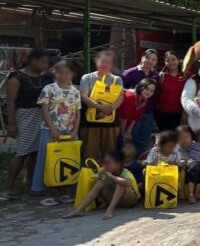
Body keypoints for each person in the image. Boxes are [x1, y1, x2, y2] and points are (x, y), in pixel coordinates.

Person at [2, 48, 53, 201]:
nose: (45, 65)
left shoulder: (47, 77)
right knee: (22, 152)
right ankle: (9, 187)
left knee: (36, 153)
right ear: (33, 60)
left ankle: (32, 185)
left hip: (42, 116)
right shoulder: (17, 77)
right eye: (42, 62)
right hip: (25, 116)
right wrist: (11, 124)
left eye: (47, 63)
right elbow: (11, 102)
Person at [32, 59, 80, 206]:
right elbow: (45, 110)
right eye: (60, 72)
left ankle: (63, 192)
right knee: (48, 160)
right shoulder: (49, 89)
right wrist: (52, 128)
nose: (63, 76)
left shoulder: (75, 91)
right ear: (54, 72)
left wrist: (75, 130)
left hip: (69, 131)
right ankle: (48, 192)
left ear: (72, 74)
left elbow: (78, 113)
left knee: (66, 160)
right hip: (50, 130)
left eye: (67, 73)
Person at [63, 148, 140, 220]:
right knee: (100, 183)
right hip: (114, 200)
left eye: (108, 163)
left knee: (120, 183)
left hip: (129, 201)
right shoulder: (105, 171)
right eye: (105, 163)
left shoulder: (125, 173)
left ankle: (110, 211)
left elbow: (127, 182)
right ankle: (80, 210)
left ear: (118, 164)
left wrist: (111, 177)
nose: (106, 166)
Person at [79, 50, 124, 162]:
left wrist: (111, 108)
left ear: (112, 64)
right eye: (103, 61)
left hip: (110, 121)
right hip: (90, 122)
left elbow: (120, 97)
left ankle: (109, 173)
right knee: (89, 154)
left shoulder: (117, 79)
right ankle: (88, 172)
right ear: (96, 61)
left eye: (109, 62)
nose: (105, 64)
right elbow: (84, 97)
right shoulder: (87, 78)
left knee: (110, 153)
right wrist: (100, 107)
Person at [122, 49, 159, 156]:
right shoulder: (130, 73)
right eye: (148, 58)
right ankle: (131, 160)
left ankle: (140, 160)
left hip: (149, 111)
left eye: (154, 60)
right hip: (133, 111)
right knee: (133, 138)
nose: (150, 61)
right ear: (142, 57)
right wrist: (132, 92)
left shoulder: (155, 74)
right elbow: (120, 89)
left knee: (144, 139)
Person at [118, 77, 158, 154]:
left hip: (126, 126)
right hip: (117, 127)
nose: (148, 92)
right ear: (141, 86)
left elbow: (135, 118)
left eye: (152, 91)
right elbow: (122, 119)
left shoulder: (144, 99)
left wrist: (128, 131)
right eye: (147, 89)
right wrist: (123, 134)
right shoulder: (130, 97)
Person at [176, 125, 200, 204]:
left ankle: (192, 194)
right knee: (199, 179)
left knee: (193, 177)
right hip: (199, 164)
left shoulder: (193, 145)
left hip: (195, 164)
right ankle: (194, 195)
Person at [155, 51, 186, 132]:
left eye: (173, 59)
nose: (171, 62)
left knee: (177, 137)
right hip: (162, 113)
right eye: (167, 60)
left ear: (178, 60)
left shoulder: (185, 75)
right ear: (164, 62)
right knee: (165, 137)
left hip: (180, 113)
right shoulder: (161, 76)